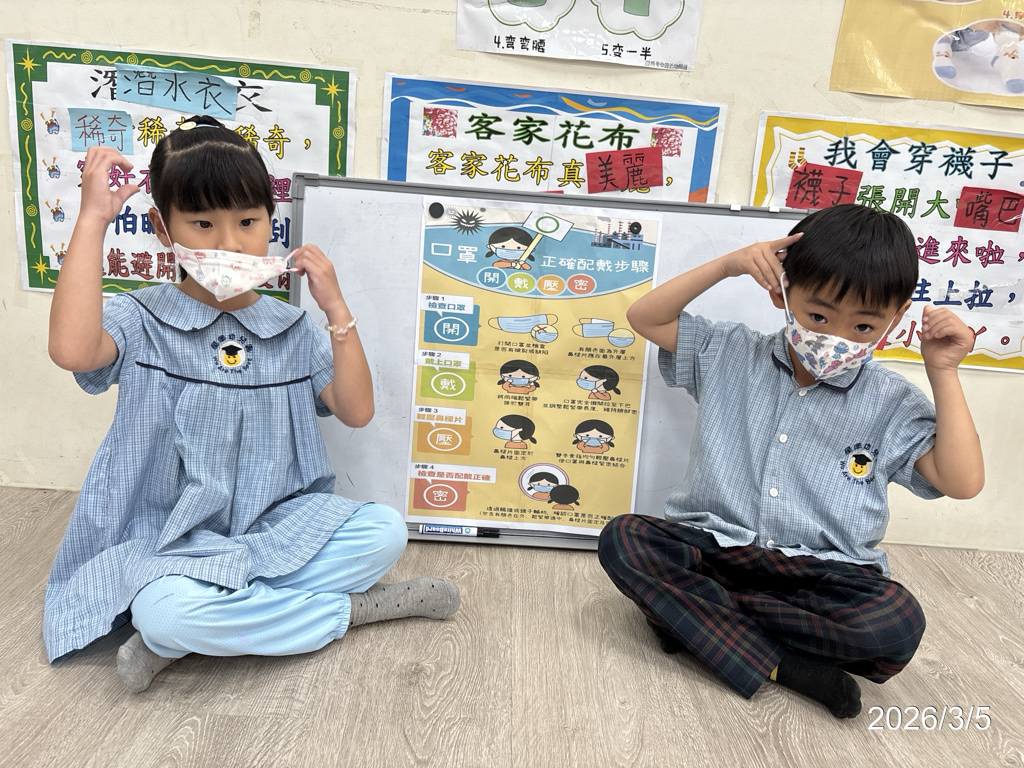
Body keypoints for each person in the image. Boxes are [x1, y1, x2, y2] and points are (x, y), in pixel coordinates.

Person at [45, 116, 460, 693]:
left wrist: (336, 310)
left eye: (248, 221)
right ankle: (350, 610)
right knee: (167, 613)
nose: (230, 243)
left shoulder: (291, 327)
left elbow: (356, 411)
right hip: (169, 540)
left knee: (386, 531)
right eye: (202, 224)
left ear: (272, 220)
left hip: (273, 526)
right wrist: (93, 219)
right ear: (164, 230)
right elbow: (72, 351)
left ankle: (196, 631)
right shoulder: (141, 318)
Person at [598, 204, 984, 719]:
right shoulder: (728, 351)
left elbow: (962, 482)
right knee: (625, 539)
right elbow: (645, 317)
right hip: (717, 550)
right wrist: (727, 265)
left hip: (820, 576)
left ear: (895, 317)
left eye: (863, 325)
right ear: (782, 291)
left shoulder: (892, 402)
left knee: (895, 623)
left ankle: (693, 622)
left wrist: (944, 371)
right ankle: (785, 665)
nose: (835, 337)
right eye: (818, 316)